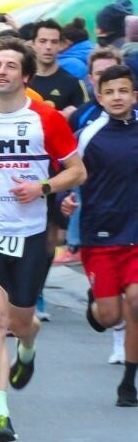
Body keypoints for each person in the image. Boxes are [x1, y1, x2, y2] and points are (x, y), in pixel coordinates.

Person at [0, 38, 85, 442]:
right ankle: (0, 413)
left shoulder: (47, 119)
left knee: (21, 322)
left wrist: (42, 186)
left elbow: (77, 172)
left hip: (31, 234)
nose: (1, 72)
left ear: (25, 76)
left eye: (10, 66)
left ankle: (28, 345)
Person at [67, 64, 138, 406]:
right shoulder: (89, 134)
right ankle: (97, 306)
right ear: (99, 97)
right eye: (109, 92)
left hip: (135, 235)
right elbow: (68, 173)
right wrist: (64, 199)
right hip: (101, 235)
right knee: (111, 316)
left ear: (134, 95)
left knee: (137, 302)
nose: (117, 97)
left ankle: (128, 382)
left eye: (123, 90)